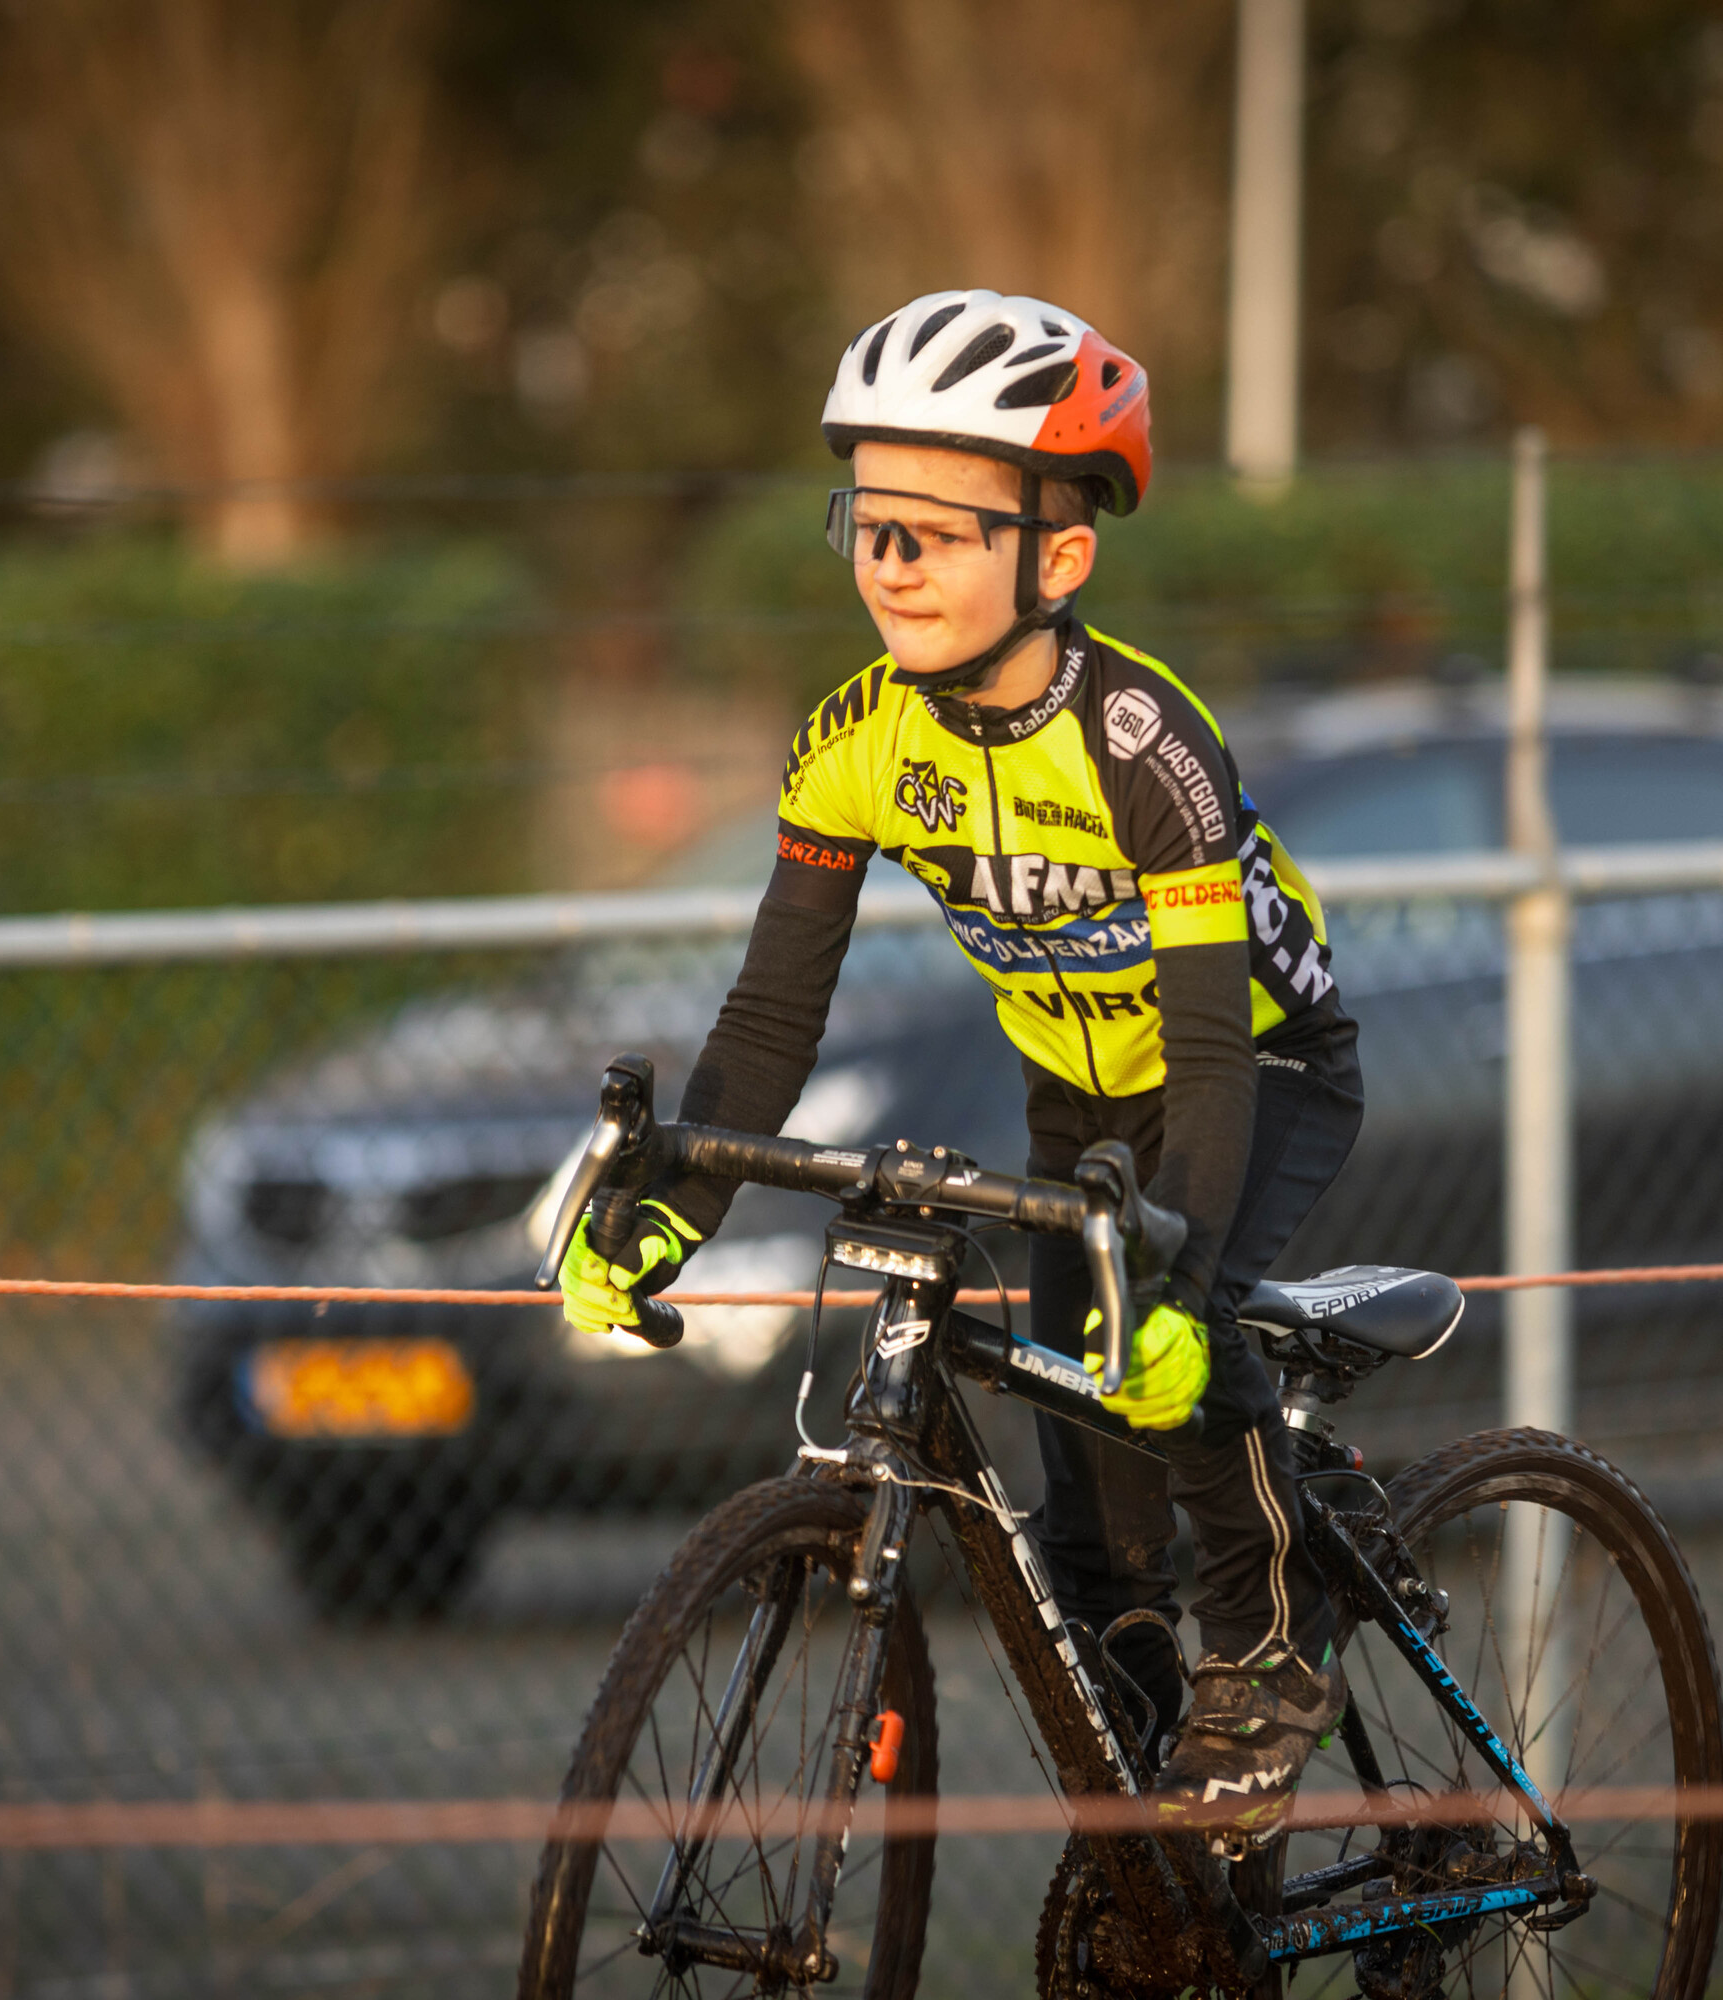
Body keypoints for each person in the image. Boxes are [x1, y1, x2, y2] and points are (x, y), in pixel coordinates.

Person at [557, 288, 1365, 1848]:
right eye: (869, 519)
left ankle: (1275, 1640)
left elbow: (1209, 1061)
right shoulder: (857, 739)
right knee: (1087, 1508)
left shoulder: (1146, 744)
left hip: (1253, 1074)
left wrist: (1179, 1299)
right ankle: (1168, 1853)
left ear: (1059, 556)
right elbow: (770, 1024)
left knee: (1167, 1364)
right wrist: (678, 1210)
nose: (891, 561)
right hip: (1077, 1100)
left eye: (938, 527)